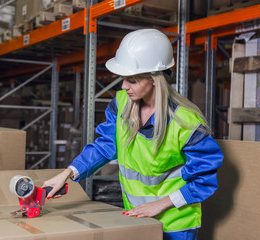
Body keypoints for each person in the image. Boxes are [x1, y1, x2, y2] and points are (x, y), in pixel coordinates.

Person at [43, 29, 223, 240]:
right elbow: (104, 146)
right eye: (124, 79)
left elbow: (205, 179)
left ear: (155, 79)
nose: (123, 86)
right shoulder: (120, 105)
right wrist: (68, 173)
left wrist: (159, 205)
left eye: (133, 80)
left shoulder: (185, 123)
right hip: (137, 217)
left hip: (176, 224)